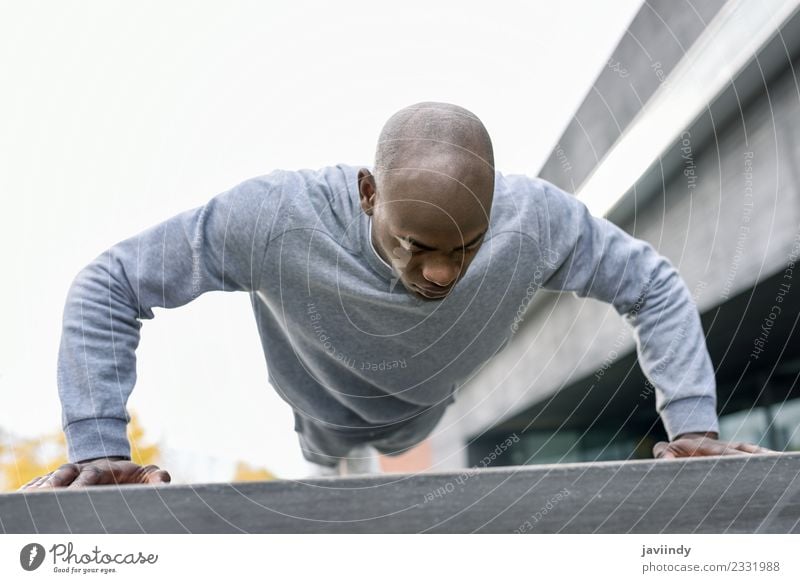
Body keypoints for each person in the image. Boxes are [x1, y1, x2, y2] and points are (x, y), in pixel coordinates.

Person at [20, 102, 774, 490]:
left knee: (396, 432)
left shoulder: (536, 221)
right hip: (318, 404)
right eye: (417, 245)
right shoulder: (275, 219)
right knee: (331, 447)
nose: (443, 274)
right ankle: (333, 472)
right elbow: (109, 282)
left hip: (421, 404)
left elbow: (653, 283)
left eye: (467, 247)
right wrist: (98, 444)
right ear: (367, 193)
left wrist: (695, 427)